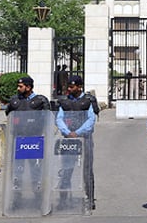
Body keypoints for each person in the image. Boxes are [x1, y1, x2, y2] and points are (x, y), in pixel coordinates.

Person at [5, 76, 51, 207]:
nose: (18, 89)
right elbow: (8, 114)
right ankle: (17, 199)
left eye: (20, 86)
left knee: (36, 171)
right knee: (17, 171)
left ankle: (38, 199)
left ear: (29, 87)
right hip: (19, 141)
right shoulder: (15, 101)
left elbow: (48, 118)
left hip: (35, 141)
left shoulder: (40, 101)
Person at [55, 75, 97, 210]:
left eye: (72, 87)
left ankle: (89, 199)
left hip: (84, 139)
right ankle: (63, 200)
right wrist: (67, 132)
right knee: (66, 170)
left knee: (87, 170)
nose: (69, 89)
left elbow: (91, 120)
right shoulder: (65, 102)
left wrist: (77, 132)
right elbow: (59, 118)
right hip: (68, 140)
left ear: (79, 87)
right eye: (68, 86)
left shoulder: (88, 101)